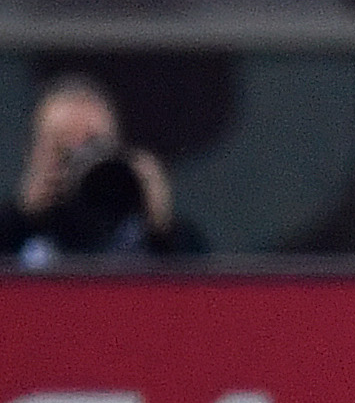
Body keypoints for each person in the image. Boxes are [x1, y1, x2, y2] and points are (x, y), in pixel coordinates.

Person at [3, 74, 206, 267]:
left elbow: (200, 280)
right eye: (61, 146)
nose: (77, 159)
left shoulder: (142, 231)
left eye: (92, 144)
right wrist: (22, 216)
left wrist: (162, 227)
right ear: (33, 152)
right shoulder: (15, 230)